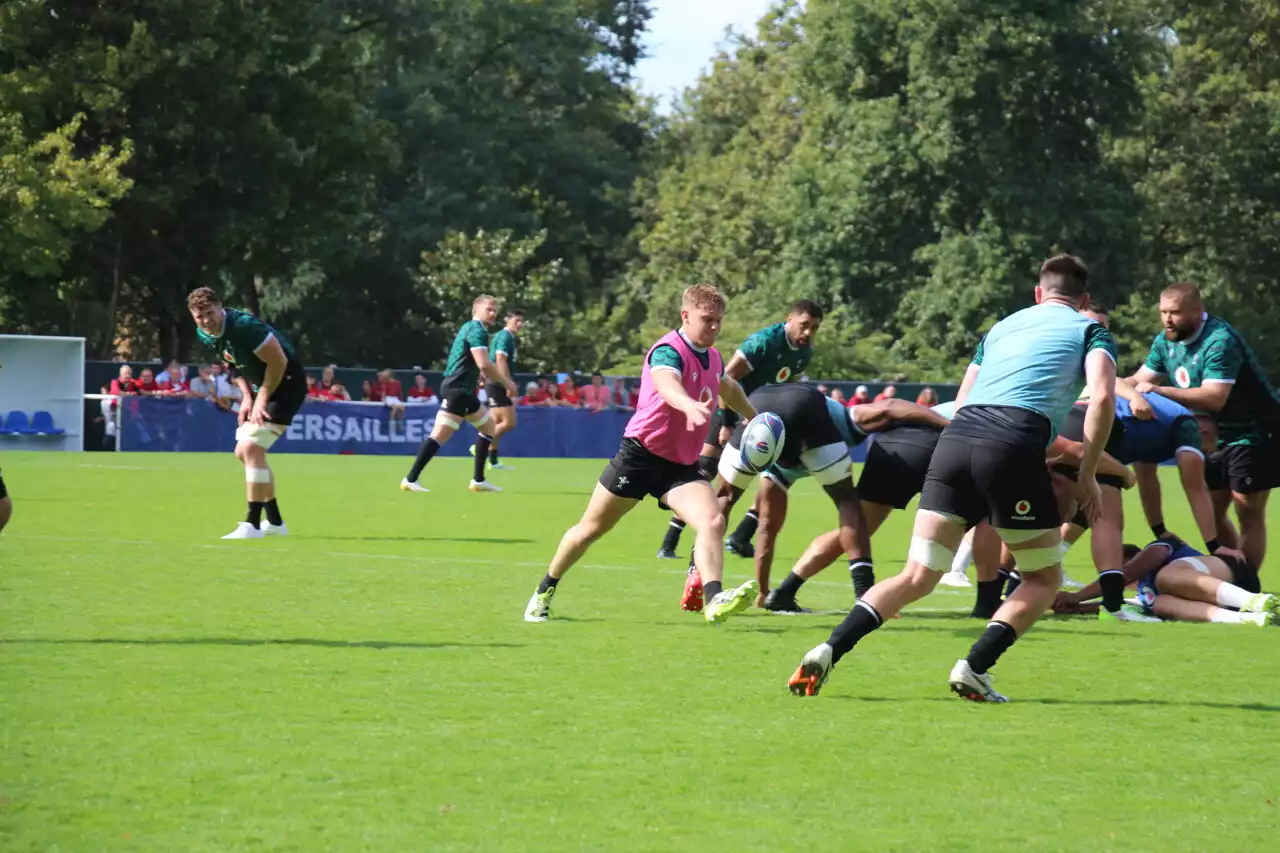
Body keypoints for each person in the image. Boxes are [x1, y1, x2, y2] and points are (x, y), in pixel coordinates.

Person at [787, 254, 1117, 702]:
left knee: (917, 575)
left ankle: (829, 647)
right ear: (1082, 300)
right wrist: (1088, 474)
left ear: (1038, 294)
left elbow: (961, 403)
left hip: (954, 442)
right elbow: (1101, 400)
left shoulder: (1000, 329)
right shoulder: (1090, 330)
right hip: (1013, 442)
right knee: (1043, 579)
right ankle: (975, 666)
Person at [524, 284, 760, 625]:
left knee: (712, 520)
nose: (714, 327)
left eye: (719, 321)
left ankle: (713, 600)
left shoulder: (713, 355)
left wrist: (754, 417)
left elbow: (728, 387)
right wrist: (688, 404)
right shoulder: (668, 350)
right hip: (640, 456)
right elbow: (666, 384)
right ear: (685, 315)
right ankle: (545, 590)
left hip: (680, 466)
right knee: (590, 529)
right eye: (707, 319)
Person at [708, 391, 950, 614]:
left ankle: (701, 577)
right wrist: (948, 424)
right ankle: (863, 594)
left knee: (748, 510)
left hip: (792, 419)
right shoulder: (777, 453)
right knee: (848, 506)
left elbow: (890, 407)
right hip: (796, 422)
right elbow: (890, 406)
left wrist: (948, 424)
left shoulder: (820, 427)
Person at [1126, 282, 1280, 569]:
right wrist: (1103, 388)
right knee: (1212, 508)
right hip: (1214, 437)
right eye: (1163, 312)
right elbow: (1138, 380)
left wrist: (1158, 391)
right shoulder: (1165, 341)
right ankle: (1234, 572)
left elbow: (1214, 398)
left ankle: (1248, 586)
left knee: (1247, 512)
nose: (1167, 319)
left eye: (1175, 313)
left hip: (1254, 432)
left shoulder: (1219, 341)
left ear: (1198, 311)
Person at [657, 299, 824, 559]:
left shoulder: (804, 352)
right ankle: (671, 542)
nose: (808, 333)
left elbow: (784, 388)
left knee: (776, 476)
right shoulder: (764, 342)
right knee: (705, 473)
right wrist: (726, 422)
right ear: (789, 319)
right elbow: (727, 379)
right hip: (727, 411)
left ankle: (741, 536)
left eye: (814, 328)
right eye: (804, 325)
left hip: (759, 419)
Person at [188, 287, 307, 540]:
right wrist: (246, 398)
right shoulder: (206, 333)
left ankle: (252, 524)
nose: (206, 320)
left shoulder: (244, 327)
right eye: (200, 316)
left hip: (286, 383)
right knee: (243, 452)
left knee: (251, 449)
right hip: (260, 386)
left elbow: (279, 362)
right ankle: (274, 522)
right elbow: (233, 365)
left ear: (221, 307)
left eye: (210, 313)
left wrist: (261, 397)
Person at [400, 294, 516, 494]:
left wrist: (478, 375)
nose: (493, 313)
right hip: (458, 389)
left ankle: (479, 480)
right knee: (440, 434)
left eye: (495, 309)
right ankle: (410, 479)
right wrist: (506, 382)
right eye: (489, 309)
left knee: (488, 426)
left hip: (461, 389)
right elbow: (484, 363)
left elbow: (471, 362)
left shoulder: (470, 328)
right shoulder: (477, 329)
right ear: (476, 309)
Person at [1053, 538, 1275, 625]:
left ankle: (1256, 600)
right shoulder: (1144, 593)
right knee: (1159, 604)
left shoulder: (1160, 548)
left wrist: (1076, 596)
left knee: (1168, 576)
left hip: (1230, 573)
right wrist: (1075, 607)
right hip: (1218, 600)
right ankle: (1250, 619)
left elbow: (1128, 573)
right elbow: (1119, 605)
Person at [475, 310, 522, 470]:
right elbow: (500, 359)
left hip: (494, 382)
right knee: (509, 422)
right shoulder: (505, 336)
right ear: (507, 320)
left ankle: (493, 460)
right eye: (517, 320)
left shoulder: (507, 337)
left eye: (521, 321)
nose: (520, 324)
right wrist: (507, 383)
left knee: (495, 423)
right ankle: (479, 446)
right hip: (497, 383)